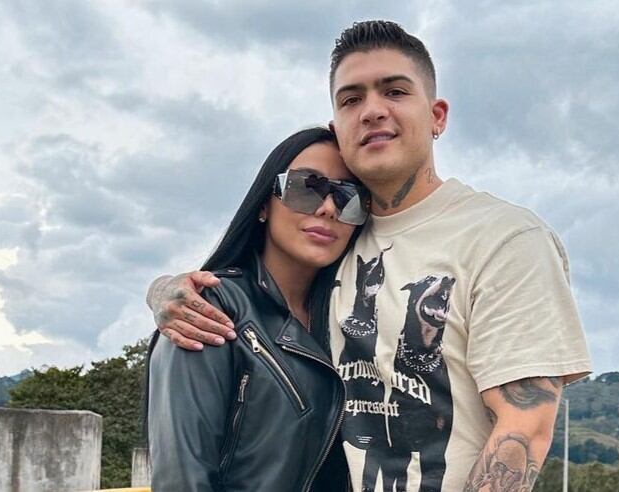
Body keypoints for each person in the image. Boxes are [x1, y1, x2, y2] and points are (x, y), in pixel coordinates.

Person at [147, 21, 592, 491]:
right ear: (338, 127)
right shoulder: (338, 241)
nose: (373, 110)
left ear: (437, 116)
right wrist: (165, 291)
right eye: (351, 99)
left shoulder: (506, 238)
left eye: (395, 91)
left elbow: (524, 428)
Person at [146, 127, 368, 491]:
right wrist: (160, 289)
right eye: (305, 187)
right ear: (264, 204)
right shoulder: (208, 310)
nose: (329, 208)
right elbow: (182, 479)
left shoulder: (350, 320)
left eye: (348, 197)